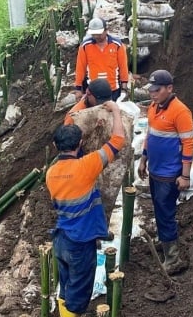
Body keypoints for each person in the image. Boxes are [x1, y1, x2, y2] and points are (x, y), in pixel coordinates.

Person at [46, 101, 125, 317]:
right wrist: (116, 111)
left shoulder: (51, 173)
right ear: (81, 143)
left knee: (66, 289)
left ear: (55, 146)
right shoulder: (87, 166)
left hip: (61, 239)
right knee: (78, 300)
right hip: (80, 244)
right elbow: (118, 140)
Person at [137, 70, 193, 275]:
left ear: (169, 88)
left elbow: (188, 144)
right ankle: (165, 241)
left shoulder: (180, 112)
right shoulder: (153, 107)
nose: (153, 94)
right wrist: (143, 158)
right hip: (155, 170)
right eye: (151, 90)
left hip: (169, 173)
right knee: (160, 209)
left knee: (165, 212)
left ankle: (173, 258)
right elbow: (149, 134)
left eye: (157, 90)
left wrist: (185, 175)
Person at [75, 18, 129, 102]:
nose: (96, 37)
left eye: (99, 34)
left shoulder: (117, 45)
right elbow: (80, 68)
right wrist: (78, 89)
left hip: (113, 89)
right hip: (93, 91)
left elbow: (123, 68)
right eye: (94, 34)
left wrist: (124, 89)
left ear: (106, 30)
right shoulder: (85, 46)